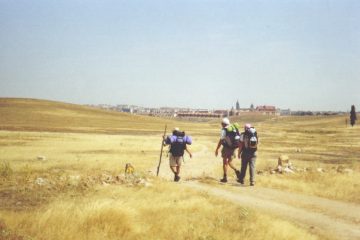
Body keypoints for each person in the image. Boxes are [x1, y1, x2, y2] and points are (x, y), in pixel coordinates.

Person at [215, 118, 241, 183]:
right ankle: (236, 170)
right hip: (233, 148)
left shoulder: (224, 130)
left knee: (225, 163)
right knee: (229, 162)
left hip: (226, 148)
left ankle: (225, 177)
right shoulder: (234, 128)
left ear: (223, 124)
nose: (221, 124)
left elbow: (221, 140)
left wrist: (217, 149)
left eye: (221, 123)